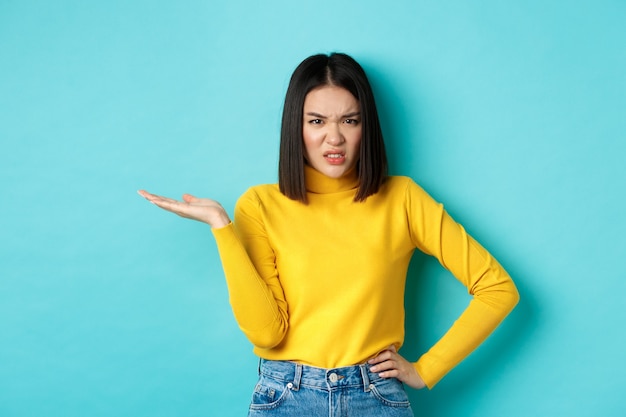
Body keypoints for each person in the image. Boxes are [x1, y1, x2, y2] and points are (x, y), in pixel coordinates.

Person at [138, 52, 519, 416]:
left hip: (374, 397)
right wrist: (222, 227)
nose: (334, 138)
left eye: (349, 121)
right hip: (285, 396)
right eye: (317, 121)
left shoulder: (402, 199)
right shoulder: (259, 205)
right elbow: (267, 333)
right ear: (296, 127)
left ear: (365, 126)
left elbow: (497, 288)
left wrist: (425, 369)